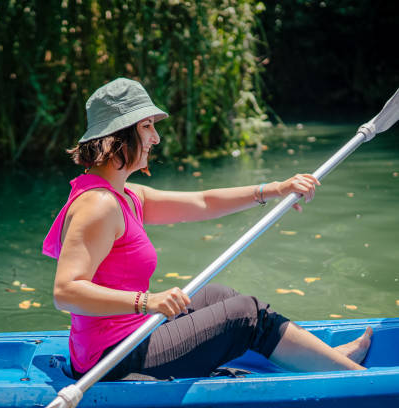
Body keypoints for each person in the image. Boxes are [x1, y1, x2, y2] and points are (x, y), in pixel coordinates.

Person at [42, 77, 372, 381]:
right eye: (146, 126)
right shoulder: (98, 205)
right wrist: (147, 301)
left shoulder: (127, 195)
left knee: (220, 296)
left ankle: (325, 357)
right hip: (114, 358)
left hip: (131, 335)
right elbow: (66, 292)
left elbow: (203, 201)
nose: (155, 138)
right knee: (246, 315)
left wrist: (273, 189)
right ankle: (357, 377)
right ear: (120, 134)